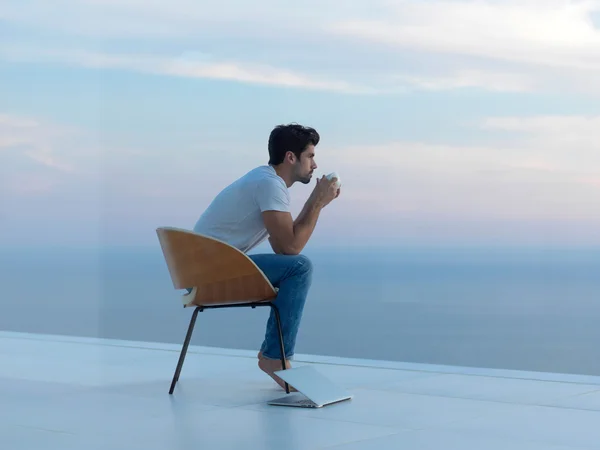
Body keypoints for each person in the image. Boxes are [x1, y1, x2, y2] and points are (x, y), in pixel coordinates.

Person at [192, 123, 340, 390]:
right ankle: (274, 358)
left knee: (295, 266)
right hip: (208, 274)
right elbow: (291, 250)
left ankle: (274, 355)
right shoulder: (270, 184)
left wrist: (315, 202)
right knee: (300, 268)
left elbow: (283, 248)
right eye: (310, 156)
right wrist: (317, 202)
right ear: (290, 157)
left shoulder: (265, 180)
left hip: (204, 269)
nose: (315, 164)